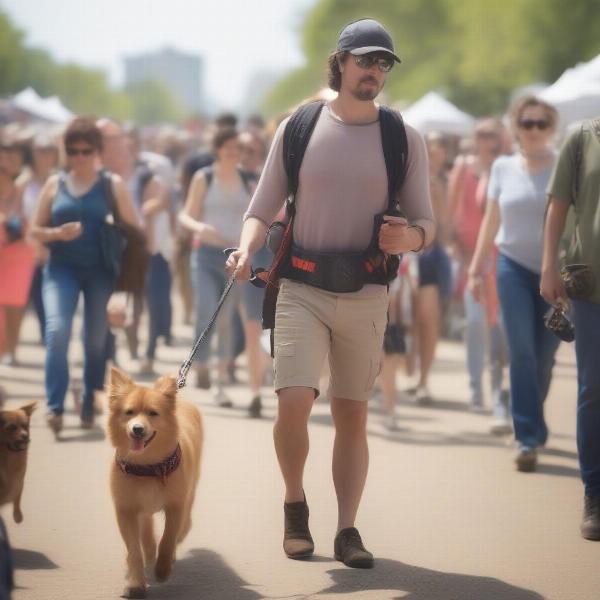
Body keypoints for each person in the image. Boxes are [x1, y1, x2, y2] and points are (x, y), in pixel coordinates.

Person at [226, 18, 434, 568]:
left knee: (351, 413)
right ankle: (295, 504)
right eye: (365, 60)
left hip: (366, 290)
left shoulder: (401, 137)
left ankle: (347, 530)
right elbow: (261, 207)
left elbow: (426, 224)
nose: (374, 71)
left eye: (384, 63)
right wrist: (247, 250)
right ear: (340, 62)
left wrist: (409, 237)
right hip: (300, 284)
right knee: (294, 400)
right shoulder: (299, 127)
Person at [468, 96, 561, 471]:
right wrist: (476, 268)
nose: (534, 130)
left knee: (545, 357)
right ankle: (526, 437)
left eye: (541, 123)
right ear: (516, 126)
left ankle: (530, 421)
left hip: (556, 271)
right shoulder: (503, 167)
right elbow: (491, 221)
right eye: (527, 123)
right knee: (520, 351)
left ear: (551, 127)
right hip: (511, 269)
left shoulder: (564, 164)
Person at [31, 117, 140, 432]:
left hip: (101, 272)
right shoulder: (55, 184)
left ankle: (91, 398)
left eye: (85, 150)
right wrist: (55, 233)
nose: (78, 157)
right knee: (56, 332)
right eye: (72, 150)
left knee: (95, 341)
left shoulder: (111, 184)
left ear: (97, 151)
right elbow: (35, 230)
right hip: (61, 268)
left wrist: (124, 291)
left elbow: (134, 236)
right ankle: (55, 406)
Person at [541, 114, 600, 540]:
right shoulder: (582, 137)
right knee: (594, 388)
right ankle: (595, 494)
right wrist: (548, 267)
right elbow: (558, 204)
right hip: (591, 284)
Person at [179, 128, 255, 407]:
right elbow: (185, 215)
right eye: (229, 147)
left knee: (226, 317)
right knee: (206, 307)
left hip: (235, 257)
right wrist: (201, 227)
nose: (233, 152)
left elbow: (259, 213)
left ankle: (221, 380)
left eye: (238, 148)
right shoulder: (204, 177)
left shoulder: (248, 179)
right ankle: (201, 361)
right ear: (218, 149)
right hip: (205, 254)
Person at [448, 119, 510, 428]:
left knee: (497, 325)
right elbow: (450, 208)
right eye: (482, 133)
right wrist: (454, 248)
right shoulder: (463, 165)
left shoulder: (507, 166)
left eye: (492, 134)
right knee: (475, 323)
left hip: (500, 258)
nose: (486, 139)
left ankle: (499, 391)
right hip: (471, 258)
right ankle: (476, 388)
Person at [406, 132, 452, 405]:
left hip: (430, 256)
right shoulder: (405, 171)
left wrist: (437, 196)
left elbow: (446, 227)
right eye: (429, 145)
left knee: (429, 318)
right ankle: (384, 378)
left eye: (438, 146)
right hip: (402, 256)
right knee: (398, 320)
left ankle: (423, 379)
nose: (434, 150)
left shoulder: (442, 181)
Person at [21, 133, 60, 344]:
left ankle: (52, 334)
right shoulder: (23, 181)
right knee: (36, 295)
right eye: (39, 150)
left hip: (57, 247)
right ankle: (46, 333)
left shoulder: (61, 180)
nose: (43, 155)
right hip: (29, 248)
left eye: (48, 150)